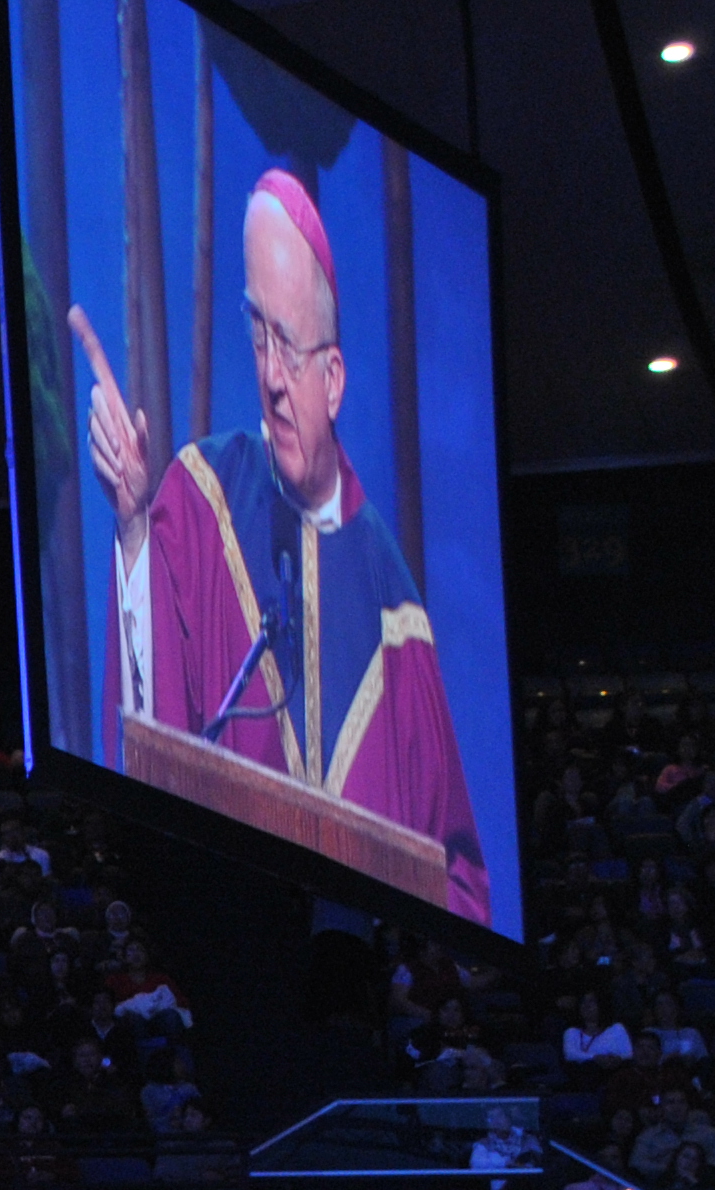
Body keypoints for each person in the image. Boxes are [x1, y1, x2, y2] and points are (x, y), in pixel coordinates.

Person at [70, 168, 486, 920]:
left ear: (334, 379)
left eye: (289, 349)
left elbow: (457, 873)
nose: (269, 377)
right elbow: (149, 746)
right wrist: (134, 524)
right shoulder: (201, 496)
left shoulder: (395, 607)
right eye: (256, 333)